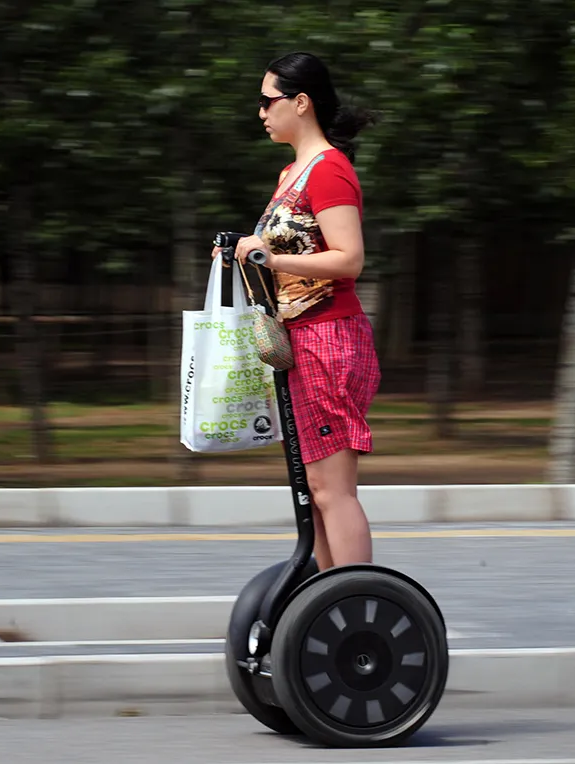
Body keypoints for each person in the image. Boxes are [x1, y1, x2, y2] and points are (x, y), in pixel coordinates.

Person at [211, 52, 380, 572]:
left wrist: (268, 255)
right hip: (301, 342)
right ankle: (329, 600)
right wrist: (238, 250)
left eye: (268, 101)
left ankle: (354, 601)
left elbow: (349, 258)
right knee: (316, 489)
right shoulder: (293, 173)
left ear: (300, 102)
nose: (261, 113)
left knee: (333, 491)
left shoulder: (329, 171)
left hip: (330, 340)